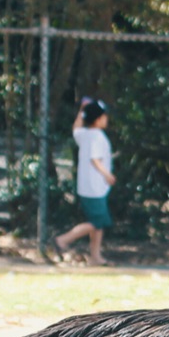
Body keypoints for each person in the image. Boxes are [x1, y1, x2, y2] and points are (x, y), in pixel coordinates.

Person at [55, 97, 115, 265]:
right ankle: (63, 240)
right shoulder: (97, 136)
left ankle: (95, 257)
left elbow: (76, 128)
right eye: (104, 116)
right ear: (98, 119)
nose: (106, 119)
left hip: (88, 187)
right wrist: (107, 175)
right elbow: (95, 160)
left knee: (97, 225)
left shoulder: (84, 134)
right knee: (99, 222)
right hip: (95, 188)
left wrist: (82, 110)